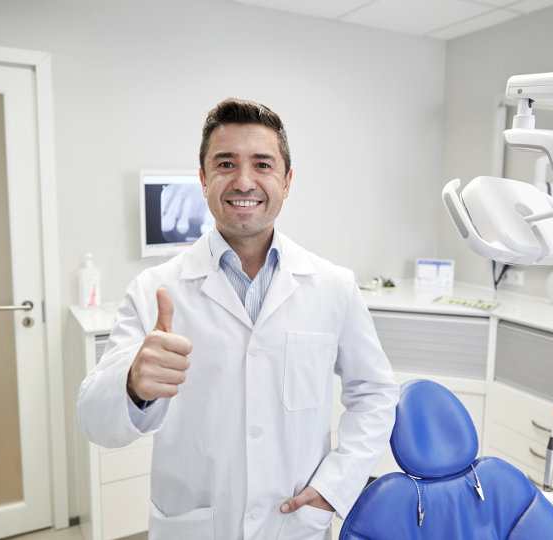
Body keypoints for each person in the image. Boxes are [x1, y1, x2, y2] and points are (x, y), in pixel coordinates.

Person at [77, 98, 399, 540]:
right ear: (204, 179)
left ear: (286, 181)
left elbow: (376, 392)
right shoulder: (155, 290)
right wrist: (132, 384)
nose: (244, 180)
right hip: (194, 525)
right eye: (225, 163)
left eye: (262, 164)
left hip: (295, 523)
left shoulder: (333, 286)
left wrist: (335, 485)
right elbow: (95, 422)